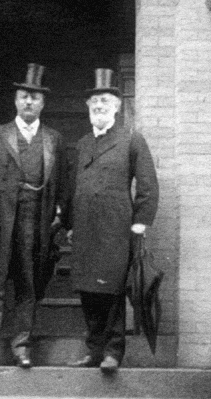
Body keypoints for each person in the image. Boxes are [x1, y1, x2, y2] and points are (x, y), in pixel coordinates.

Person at [0, 63, 67, 370]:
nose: (28, 102)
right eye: (24, 96)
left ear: (43, 103)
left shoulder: (54, 139)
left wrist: (59, 212)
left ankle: (21, 346)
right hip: (0, 222)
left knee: (28, 286)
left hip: (35, 223)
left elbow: (63, 182)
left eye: (35, 98)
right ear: (15, 100)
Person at [67, 68, 158, 374]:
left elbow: (148, 185)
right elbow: (73, 186)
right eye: (94, 101)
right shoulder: (82, 144)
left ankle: (113, 351)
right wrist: (68, 223)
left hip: (116, 229)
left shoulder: (131, 140)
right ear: (88, 107)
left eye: (105, 100)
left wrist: (140, 223)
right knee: (87, 290)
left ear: (118, 106)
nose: (99, 105)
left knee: (112, 290)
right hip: (84, 228)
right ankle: (94, 349)